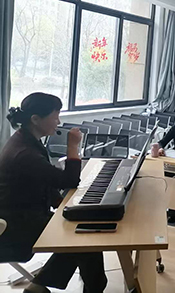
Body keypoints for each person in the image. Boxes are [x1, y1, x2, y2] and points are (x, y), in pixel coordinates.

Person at [0, 93, 107, 293]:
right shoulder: (24, 153)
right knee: (84, 236)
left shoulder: (25, 140)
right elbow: (69, 180)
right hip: (15, 228)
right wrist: (73, 146)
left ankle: (39, 286)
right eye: (55, 117)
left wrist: (60, 202)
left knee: (80, 232)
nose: (58, 122)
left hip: (23, 216)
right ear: (35, 119)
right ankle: (92, 287)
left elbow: (40, 180)